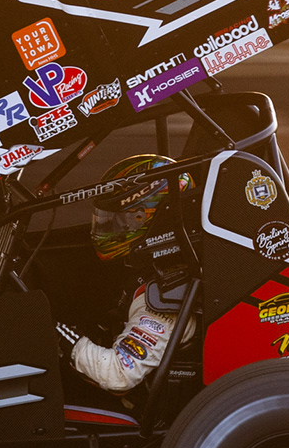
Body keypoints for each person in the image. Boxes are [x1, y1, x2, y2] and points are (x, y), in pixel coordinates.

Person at [55, 154, 195, 394]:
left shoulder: (164, 296)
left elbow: (118, 374)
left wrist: (58, 333)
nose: (111, 227)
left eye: (121, 219)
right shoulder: (153, 266)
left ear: (145, 218)